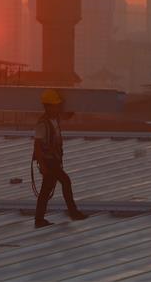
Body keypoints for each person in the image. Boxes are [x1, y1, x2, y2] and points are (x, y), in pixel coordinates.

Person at [33, 88, 88, 228]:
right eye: (56, 105)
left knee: (46, 190)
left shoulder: (54, 119)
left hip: (54, 159)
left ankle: (39, 219)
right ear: (49, 106)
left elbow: (65, 116)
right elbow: (37, 146)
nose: (58, 107)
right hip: (49, 161)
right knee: (65, 181)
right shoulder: (42, 123)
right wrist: (43, 165)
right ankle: (73, 212)